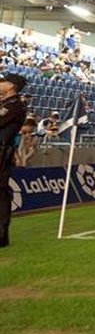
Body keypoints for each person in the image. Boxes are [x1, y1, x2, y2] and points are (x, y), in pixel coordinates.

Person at [0, 73, 29, 247]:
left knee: (1, 193)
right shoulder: (7, 104)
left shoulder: (15, 106)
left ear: (11, 86)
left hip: (2, 153)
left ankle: (1, 235)